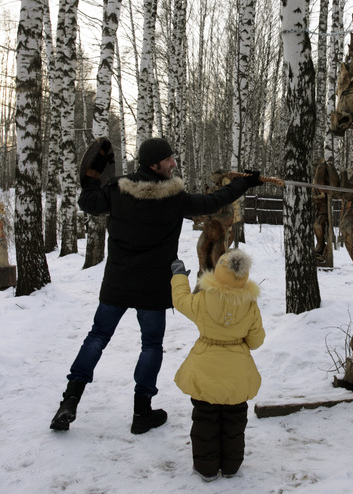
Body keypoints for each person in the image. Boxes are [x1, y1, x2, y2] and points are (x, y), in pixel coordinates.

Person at [49, 137, 263, 434]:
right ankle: (142, 413)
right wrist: (244, 183)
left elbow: (88, 201)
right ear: (154, 165)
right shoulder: (175, 198)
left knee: (97, 336)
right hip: (153, 285)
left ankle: (70, 401)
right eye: (168, 159)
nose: (174, 163)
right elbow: (215, 201)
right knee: (151, 345)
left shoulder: (116, 190)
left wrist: (92, 176)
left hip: (118, 282)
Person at [171, 249, 265, 481]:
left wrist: (179, 276)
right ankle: (231, 467)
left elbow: (180, 300)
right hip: (237, 376)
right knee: (234, 423)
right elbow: (256, 341)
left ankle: (206, 469)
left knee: (204, 420)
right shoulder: (250, 304)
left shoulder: (203, 299)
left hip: (205, 373)